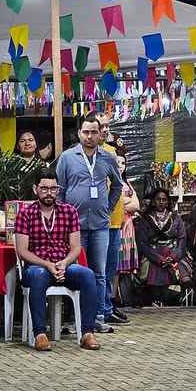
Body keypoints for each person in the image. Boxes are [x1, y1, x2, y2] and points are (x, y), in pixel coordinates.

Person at [14, 168, 100, 352]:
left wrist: (64, 263)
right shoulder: (25, 214)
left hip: (64, 265)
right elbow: (22, 251)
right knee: (38, 275)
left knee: (87, 275)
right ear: (35, 189)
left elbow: (76, 248)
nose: (49, 193)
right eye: (44, 189)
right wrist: (47, 264)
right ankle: (40, 334)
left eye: (53, 189)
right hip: (37, 266)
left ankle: (87, 332)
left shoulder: (69, 212)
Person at [55, 113, 123, 331]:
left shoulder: (108, 157)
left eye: (94, 132)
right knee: (76, 271)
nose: (90, 136)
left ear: (100, 133)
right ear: (79, 133)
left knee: (99, 273)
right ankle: (75, 319)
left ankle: (98, 317)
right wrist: (62, 218)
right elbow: (59, 190)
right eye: (86, 132)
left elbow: (118, 186)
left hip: (101, 224)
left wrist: (108, 208)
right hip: (74, 228)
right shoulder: (67, 157)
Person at [98, 112, 130, 326]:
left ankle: (107, 308)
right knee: (97, 270)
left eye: (107, 126)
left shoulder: (111, 153)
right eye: (101, 126)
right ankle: (96, 310)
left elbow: (119, 186)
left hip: (116, 221)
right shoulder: (81, 154)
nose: (105, 130)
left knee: (110, 270)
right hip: (96, 222)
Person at [135, 187, 189, 307]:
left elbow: (182, 240)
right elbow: (142, 244)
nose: (161, 202)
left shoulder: (176, 218)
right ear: (153, 202)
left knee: (186, 279)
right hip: (152, 257)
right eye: (158, 199)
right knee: (155, 284)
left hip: (173, 256)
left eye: (164, 199)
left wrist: (173, 257)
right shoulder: (146, 220)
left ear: (168, 202)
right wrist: (159, 259)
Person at [114, 153, 142, 303]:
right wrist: (126, 201)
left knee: (122, 268)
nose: (120, 166)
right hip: (117, 225)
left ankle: (120, 298)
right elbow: (113, 203)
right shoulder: (110, 182)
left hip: (128, 227)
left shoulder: (128, 183)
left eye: (123, 163)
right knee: (114, 266)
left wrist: (122, 203)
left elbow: (136, 205)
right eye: (117, 162)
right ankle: (113, 297)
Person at [13, 130, 47, 201]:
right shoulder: (11, 167)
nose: (27, 143)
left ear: (36, 144)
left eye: (31, 140)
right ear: (17, 146)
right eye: (22, 141)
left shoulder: (45, 166)